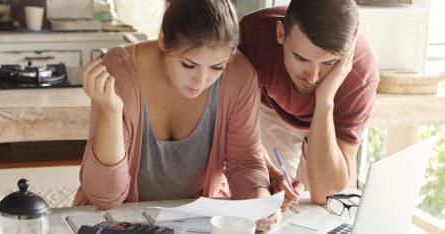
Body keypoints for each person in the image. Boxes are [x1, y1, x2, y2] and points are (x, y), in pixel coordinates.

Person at [73, 0, 279, 230]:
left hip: (194, 224)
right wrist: (111, 112)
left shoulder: (240, 76)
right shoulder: (120, 70)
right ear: (163, 40)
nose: (201, 81)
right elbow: (105, 198)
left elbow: (245, 162)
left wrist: (260, 203)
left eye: (217, 67)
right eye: (189, 65)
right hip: (118, 224)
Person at [238, 0, 380, 206]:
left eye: (329, 62)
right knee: (276, 202)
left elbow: (326, 192)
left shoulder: (361, 73)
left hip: (329, 118)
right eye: (301, 58)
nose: (313, 77)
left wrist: (325, 98)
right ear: (280, 34)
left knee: (324, 207)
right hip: (271, 107)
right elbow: (235, 131)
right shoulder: (251, 37)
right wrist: (272, 174)